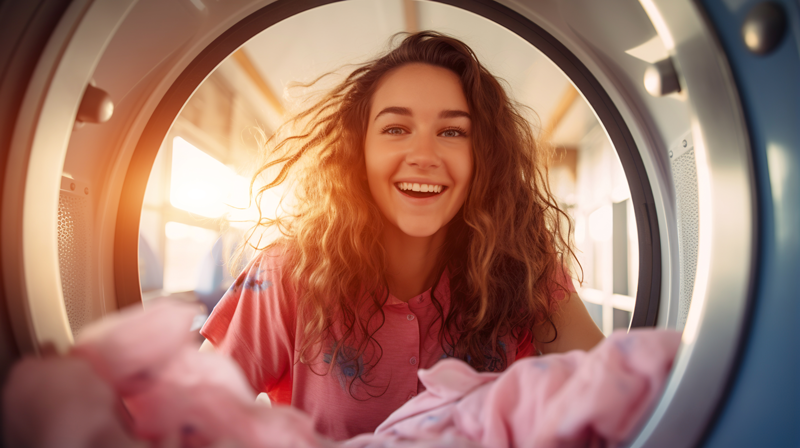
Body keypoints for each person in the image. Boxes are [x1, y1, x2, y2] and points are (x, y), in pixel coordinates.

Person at [199, 31, 604, 441]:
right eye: (395, 129)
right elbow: (189, 422)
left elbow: (614, 390)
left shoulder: (526, 268)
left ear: (484, 156)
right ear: (359, 149)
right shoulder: (288, 271)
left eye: (452, 132)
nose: (424, 156)